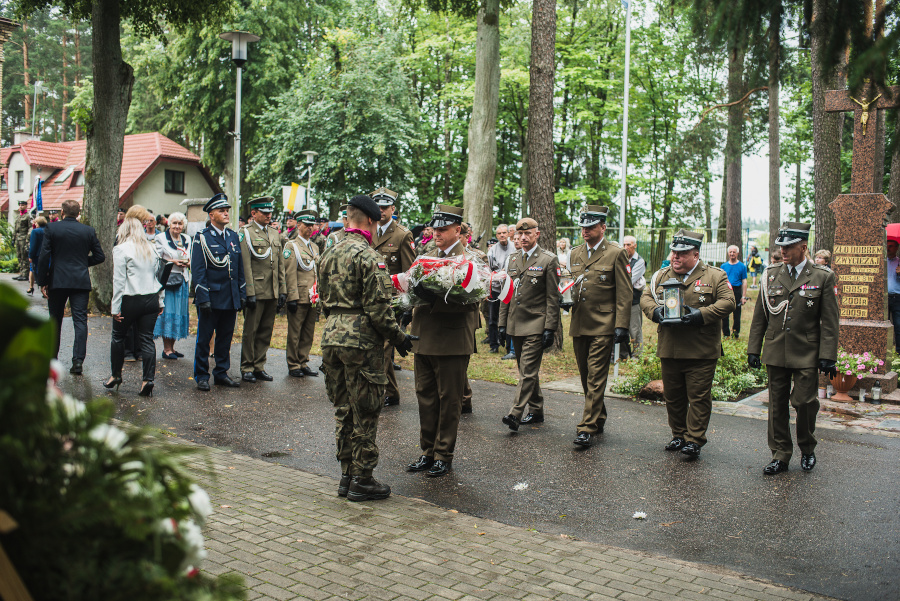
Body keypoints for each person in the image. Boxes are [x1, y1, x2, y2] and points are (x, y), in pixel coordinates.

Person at [318, 195, 416, 501]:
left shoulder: (329, 253)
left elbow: (322, 298)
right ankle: (363, 479)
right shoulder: (369, 257)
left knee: (343, 408)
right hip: (361, 342)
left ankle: (346, 476)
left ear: (348, 219)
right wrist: (400, 338)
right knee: (366, 410)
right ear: (372, 222)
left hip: (332, 336)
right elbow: (378, 309)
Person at [749, 223, 839, 474]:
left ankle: (807, 447)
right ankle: (780, 454)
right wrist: (753, 349)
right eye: (781, 246)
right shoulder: (771, 274)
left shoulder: (821, 276)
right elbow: (760, 316)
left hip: (806, 352)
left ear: (803, 247)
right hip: (776, 349)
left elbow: (830, 322)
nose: (783, 251)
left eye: (789, 246)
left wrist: (827, 356)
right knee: (777, 405)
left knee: (805, 402)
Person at [640, 229, 734, 460]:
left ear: (695, 254)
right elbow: (645, 297)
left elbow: (728, 302)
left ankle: (694, 439)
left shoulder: (715, 275)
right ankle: (679, 434)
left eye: (682, 253)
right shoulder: (661, 276)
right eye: (674, 252)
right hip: (670, 347)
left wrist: (700, 315)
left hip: (700, 349)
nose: (676, 257)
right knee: (673, 395)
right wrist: (656, 311)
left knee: (698, 396)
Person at [405, 204, 478, 477]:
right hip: (423, 336)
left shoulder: (469, 260)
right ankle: (427, 451)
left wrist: (435, 296)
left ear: (458, 230)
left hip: (451, 338)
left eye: (443, 229)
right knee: (425, 396)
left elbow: (472, 302)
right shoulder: (425, 256)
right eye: (435, 228)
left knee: (449, 399)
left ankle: (443, 454)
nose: (437, 233)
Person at [566, 206, 631, 447]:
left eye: (591, 226)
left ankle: (586, 427)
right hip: (580, 322)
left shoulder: (616, 253)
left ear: (603, 227)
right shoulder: (575, 253)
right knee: (585, 376)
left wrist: (621, 325)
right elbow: (572, 285)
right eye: (583, 226)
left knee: (595, 376)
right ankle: (599, 415)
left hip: (604, 324)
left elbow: (625, 292)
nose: (585, 230)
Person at [499, 218, 560, 432]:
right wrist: (501, 323)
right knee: (527, 370)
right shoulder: (513, 259)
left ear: (537, 234)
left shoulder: (548, 260)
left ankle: (515, 413)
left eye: (528, 234)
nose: (523, 237)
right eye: (520, 234)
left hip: (536, 323)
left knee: (526, 371)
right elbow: (506, 293)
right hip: (516, 323)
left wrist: (550, 328)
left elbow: (553, 297)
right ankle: (536, 410)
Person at [36, 199, 105, 374]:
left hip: (57, 280)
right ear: (78, 212)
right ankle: (78, 361)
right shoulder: (88, 231)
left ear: (62, 212)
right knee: (80, 321)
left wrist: (42, 280)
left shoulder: (52, 228)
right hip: (80, 281)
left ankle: (52, 360)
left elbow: (44, 256)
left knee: (55, 320)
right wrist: (82, 263)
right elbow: (99, 256)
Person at [190, 193, 246, 391]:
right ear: (211, 215)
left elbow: (238, 268)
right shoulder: (202, 238)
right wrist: (203, 297)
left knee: (225, 338)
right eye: (221, 211)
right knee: (204, 339)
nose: (226, 213)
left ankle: (221, 373)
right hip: (211, 298)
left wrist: (242, 294)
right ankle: (202, 375)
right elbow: (197, 270)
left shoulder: (232, 236)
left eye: (227, 210)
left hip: (230, 297)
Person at [105, 217, 165, 397]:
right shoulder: (152, 248)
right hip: (151, 299)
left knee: (118, 337)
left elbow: (119, 280)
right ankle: (148, 379)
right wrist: (160, 301)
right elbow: (158, 277)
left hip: (130, 299)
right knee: (146, 339)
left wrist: (115, 307)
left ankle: (115, 375)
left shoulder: (121, 249)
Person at [371, 187, 415, 407]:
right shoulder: (369, 231)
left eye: (385, 207)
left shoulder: (402, 235)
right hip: (371, 299)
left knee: (386, 346)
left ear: (393, 208)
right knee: (379, 345)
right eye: (378, 207)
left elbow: (409, 273)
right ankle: (391, 392)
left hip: (392, 301)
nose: (381, 211)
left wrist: (407, 306)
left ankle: (381, 392)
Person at [239, 197, 286, 383]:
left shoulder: (275, 234)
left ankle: (259, 365)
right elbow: (245, 264)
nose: (269, 215)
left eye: (270, 212)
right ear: (254, 213)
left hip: (272, 289)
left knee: (266, 330)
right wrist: (249, 291)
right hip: (256, 289)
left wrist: (282, 289)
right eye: (264, 213)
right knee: (251, 330)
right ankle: (247, 366)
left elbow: (280, 264)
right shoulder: (246, 233)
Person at [284, 209, 320, 378]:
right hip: (298, 295)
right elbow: (289, 272)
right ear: (298, 225)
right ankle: (293, 364)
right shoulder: (292, 246)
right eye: (306, 225)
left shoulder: (314, 246)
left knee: (308, 331)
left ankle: (303, 360)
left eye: (312, 225)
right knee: (295, 332)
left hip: (312, 296)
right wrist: (291, 296)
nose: (310, 228)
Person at [154, 212, 191, 359]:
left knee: (179, 313)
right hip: (169, 281)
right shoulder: (160, 238)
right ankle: (166, 349)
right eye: (174, 223)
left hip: (182, 279)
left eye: (180, 223)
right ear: (169, 224)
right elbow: (156, 259)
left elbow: (191, 255)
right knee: (168, 313)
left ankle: (173, 347)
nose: (177, 226)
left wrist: (189, 263)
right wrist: (172, 262)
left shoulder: (187, 238)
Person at [486, 224, 514, 353]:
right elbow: (489, 270)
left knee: (509, 317)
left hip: (509, 287)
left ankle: (509, 346)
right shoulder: (492, 250)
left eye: (504, 232)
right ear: (496, 236)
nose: (502, 235)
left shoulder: (515, 248)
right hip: (496, 288)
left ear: (508, 233)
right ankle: (493, 345)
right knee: (493, 318)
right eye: (499, 233)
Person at [622, 235, 646, 359]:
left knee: (635, 328)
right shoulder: (621, 258)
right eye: (624, 245)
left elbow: (629, 281)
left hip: (633, 300)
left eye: (629, 245)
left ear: (635, 246)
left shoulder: (639, 261)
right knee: (621, 327)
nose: (626, 247)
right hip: (620, 300)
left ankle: (637, 355)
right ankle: (623, 354)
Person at [501, 230, 523, 360]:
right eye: (514, 239)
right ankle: (512, 349)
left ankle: (514, 350)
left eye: (518, 238)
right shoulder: (511, 257)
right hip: (511, 296)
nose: (515, 241)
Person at [721, 245, 749, 339]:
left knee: (737, 313)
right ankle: (726, 333)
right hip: (726, 290)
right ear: (728, 253)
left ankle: (735, 332)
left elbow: (744, 281)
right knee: (724, 313)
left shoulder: (742, 266)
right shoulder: (723, 266)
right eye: (730, 252)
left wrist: (743, 296)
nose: (732, 254)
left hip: (736, 290)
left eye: (734, 252)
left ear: (737, 253)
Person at [27, 216, 48, 295]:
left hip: (37, 256)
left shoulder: (35, 231)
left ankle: (40, 287)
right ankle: (47, 289)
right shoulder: (48, 230)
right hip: (47, 255)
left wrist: (30, 256)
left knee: (35, 271)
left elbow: (33, 245)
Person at [13, 200, 32, 281]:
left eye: (22, 205)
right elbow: (15, 229)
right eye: (20, 205)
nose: (21, 206)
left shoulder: (28, 216)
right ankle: (21, 273)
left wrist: (28, 238)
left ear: (26, 206)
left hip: (24, 238)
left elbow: (30, 228)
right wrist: (13, 239)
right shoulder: (18, 216)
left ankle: (25, 274)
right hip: (18, 238)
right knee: (19, 256)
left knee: (24, 256)